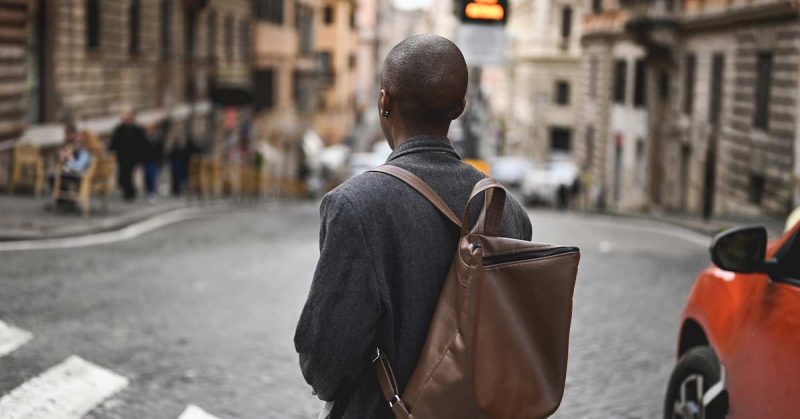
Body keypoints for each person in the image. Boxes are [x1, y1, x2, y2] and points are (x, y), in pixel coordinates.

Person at [294, 35, 533, 419]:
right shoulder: (508, 212)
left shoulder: (355, 205)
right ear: (460, 107)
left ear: (384, 101)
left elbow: (325, 358)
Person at [109, 109, 148, 201]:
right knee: (123, 175)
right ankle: (127, 192)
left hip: (133, 157)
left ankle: (130, 193)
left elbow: (142, 144)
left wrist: (142, 158)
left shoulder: (137, 129)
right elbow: (114, 142)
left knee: (130, 175)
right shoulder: (119, 129)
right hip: (122, 157)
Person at [49, 124, 93, 197]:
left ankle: (65, 200)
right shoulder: (70, 144)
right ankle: (62, 199)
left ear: (74, 134)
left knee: (53, 176)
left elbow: (78, 164)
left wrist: (67, 157)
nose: (66, 136)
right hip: (74, 171)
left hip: (80, 173)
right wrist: (62, 156)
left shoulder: (80, 146)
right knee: (53, 175)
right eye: (65, 134)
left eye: (67, 134)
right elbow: (64, 159)